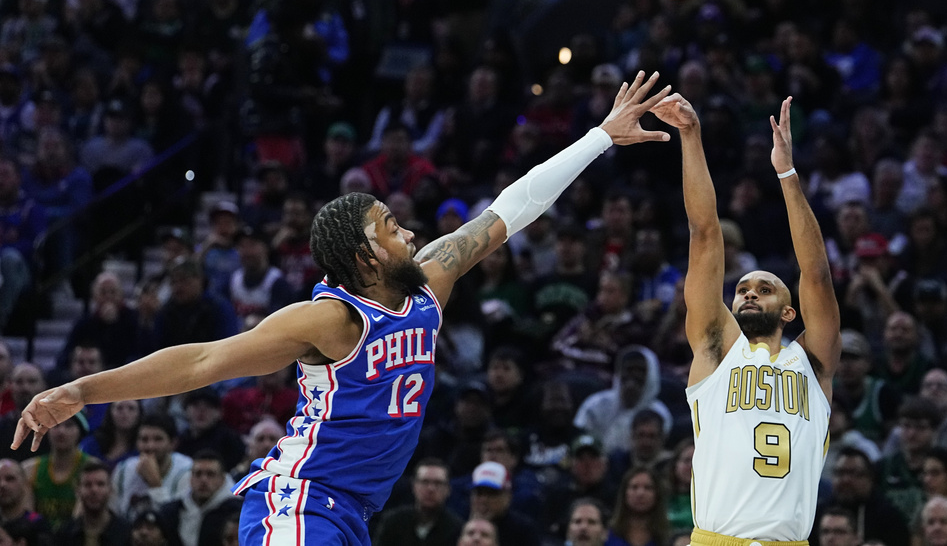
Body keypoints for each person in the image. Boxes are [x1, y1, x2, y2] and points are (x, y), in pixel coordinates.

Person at [13, 71, 673, 545]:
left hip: (353, 513)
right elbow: (204, 361)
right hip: (299, 503)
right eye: (390, 224)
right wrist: (81, 388)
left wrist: (600, 137)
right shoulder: (332, 320)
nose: (407, 229)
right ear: (363, 254)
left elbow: (512, 206)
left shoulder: (429, 282)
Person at [652, 93, 840, 544]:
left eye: (765, 288)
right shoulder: (717, 349)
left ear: (789, 312)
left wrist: (787, 174)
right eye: (742, 290)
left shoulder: (812, 363)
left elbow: (815, 273)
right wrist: (690, 136)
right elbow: (704, 232)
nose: (750, 292)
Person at [371, 458, 463, 546]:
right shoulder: (393, 522)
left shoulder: (456, 528)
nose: (430, 489)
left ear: (448, 489)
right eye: (425, 482)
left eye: (438, 483)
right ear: (414, 486)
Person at [55, 459, 132, 546]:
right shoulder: (65, 533)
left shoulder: (126, 533)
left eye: (100, 484)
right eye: (88, 485)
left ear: (110, 490)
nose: (94, 490)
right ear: (77, 490)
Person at [606, 466, 670, 546]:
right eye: (634, 487)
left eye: (648, 488)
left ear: (657, 494)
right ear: (625, 493)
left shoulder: (667, 536)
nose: (640, 493)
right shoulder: (606, 534)